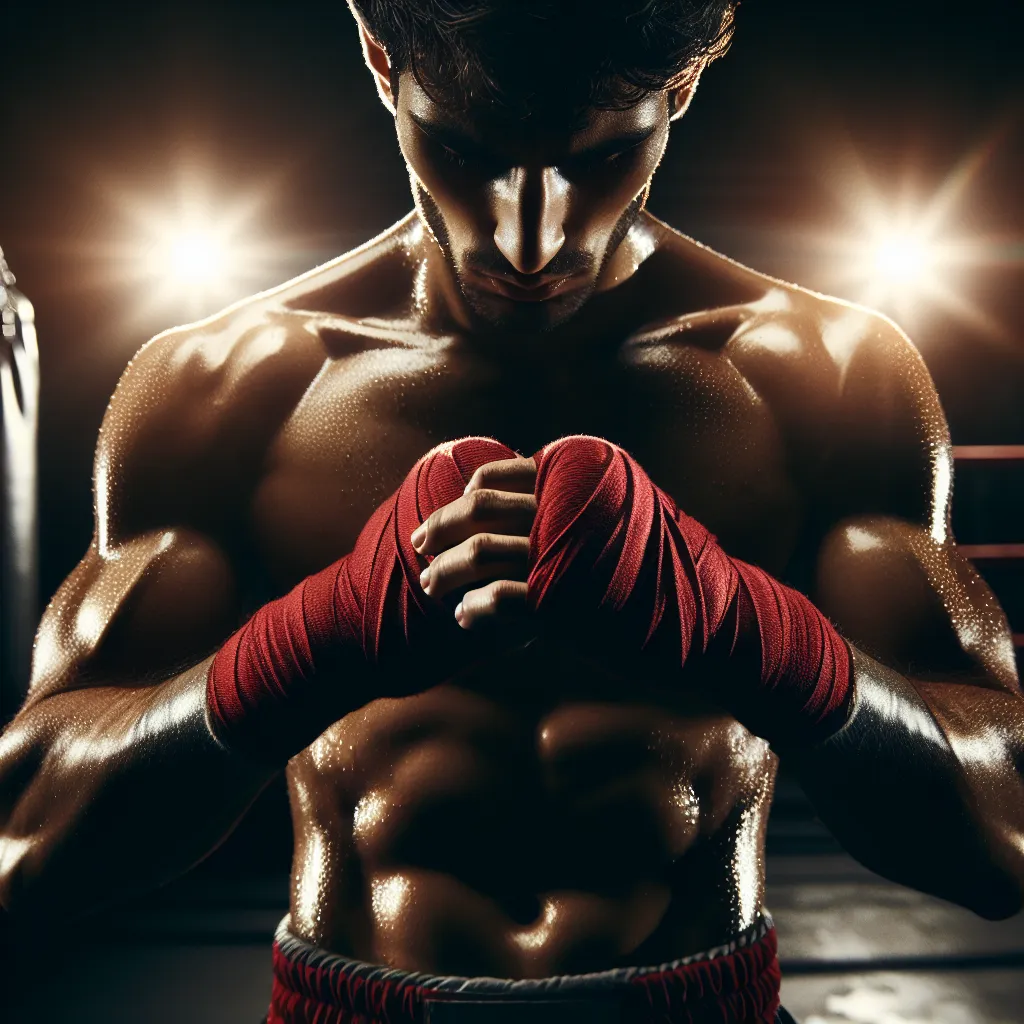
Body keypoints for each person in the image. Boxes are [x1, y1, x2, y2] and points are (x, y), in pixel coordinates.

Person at [1, 2, 1022, 1022]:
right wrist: (312, 645)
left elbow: (1003, 833)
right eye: (459, 147)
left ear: (681, 89)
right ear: (379, 59)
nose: (527, 236)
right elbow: (27, 839)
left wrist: (752, 634)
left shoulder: (824, 381)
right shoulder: (225, 391)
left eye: (602, 157)